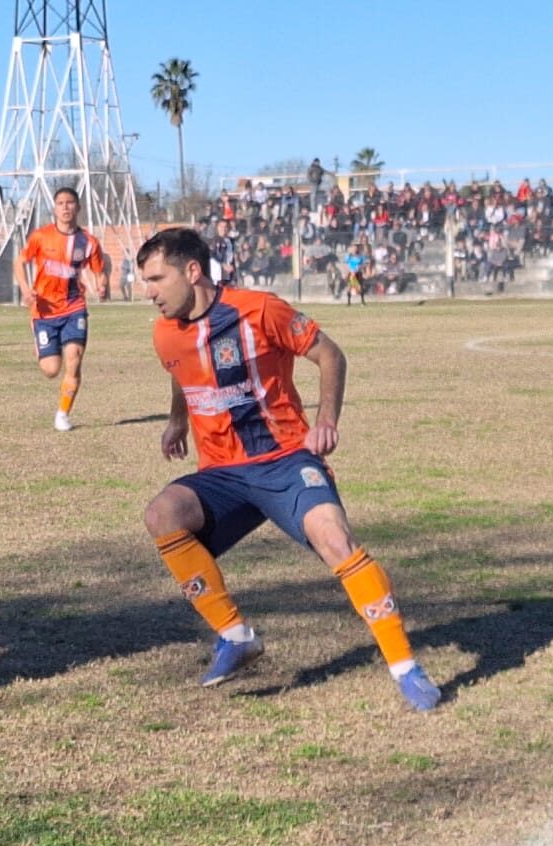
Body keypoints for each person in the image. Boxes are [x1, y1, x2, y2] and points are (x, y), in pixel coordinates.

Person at [136, 227, 441, 711]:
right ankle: (236, 636)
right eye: (145, 281)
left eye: (156, 278)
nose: (148, 291)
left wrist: (326, 421)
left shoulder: (259, 309)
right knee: (162, 514)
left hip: (283, 459)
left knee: (335, 539)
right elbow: (181, 371)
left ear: (192, 272)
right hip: (223, 474)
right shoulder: (163, 332)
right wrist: (177, 420)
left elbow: (329, 354)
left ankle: (406, 668)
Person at [13, 187, 108, 432]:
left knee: (74, 360)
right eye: (60, 203)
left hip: (74, 307)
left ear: (77, 207)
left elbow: (99, 270)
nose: (65, 207)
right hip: (44, 311)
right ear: (54, 208)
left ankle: (63, 414)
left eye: (70, 203)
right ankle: (39, 342)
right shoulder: (40, 237)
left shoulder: (88, 241)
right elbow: (19, 262)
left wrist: (102, 284)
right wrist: (26, 289)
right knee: (51, 370)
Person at [209, 219, 237, 287]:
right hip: (218, 273)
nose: (223, 229)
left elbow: (232, 256)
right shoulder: (214, 240)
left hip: (229, 272)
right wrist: (223, 265)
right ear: (217, 228)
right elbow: (212, 254)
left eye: (226, 227)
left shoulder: (231, 241)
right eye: (221, 226)